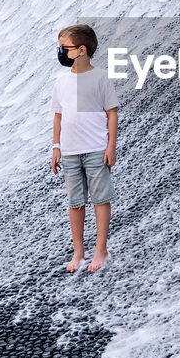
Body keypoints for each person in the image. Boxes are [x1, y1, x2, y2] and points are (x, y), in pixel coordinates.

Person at [50, 24, 119, 273]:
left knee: (100, 200)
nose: (60, 52)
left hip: (95, 148)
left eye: (64, 48)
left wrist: (110, 146)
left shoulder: (100, 77)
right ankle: (78, 251)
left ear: (81, 50)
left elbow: (112, 113)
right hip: (69, 151)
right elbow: (58, 116)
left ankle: (101, 248)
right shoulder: (61, 81)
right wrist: (56, 147)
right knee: (75, 202)